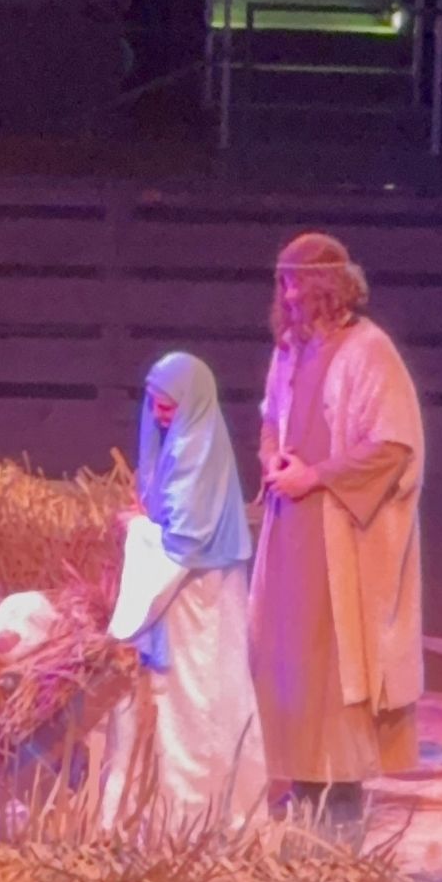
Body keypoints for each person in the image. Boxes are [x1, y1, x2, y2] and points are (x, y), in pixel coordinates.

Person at [249, 232, 424, 829]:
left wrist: (317, 477)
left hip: (338, 535)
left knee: (332, 659)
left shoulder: (369, 350)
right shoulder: (288, 352)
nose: (288, 294)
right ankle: (297, 778)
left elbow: (394, 447)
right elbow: (271, 420)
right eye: (283, 282)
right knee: (286, 655)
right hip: (289, 530)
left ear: (327, 284)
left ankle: (339, 791)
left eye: (297, 281)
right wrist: (273, 460)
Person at [101, 352, 266, 827]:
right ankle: (169, 813)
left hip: (201, 600)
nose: (159, 415)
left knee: (203, 704)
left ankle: (208, 816)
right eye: (154, 404)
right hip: (182, 600)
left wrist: (137, 529)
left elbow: (185, 542)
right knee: (178, 707)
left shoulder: (198, 452)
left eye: (169, 405)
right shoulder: (175, 446)